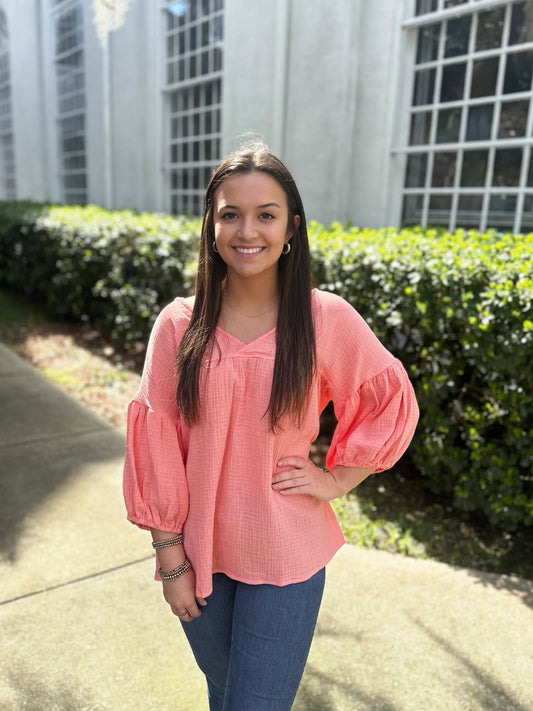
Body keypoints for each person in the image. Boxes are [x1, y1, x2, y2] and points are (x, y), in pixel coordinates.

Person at [123, 140, 419, 711]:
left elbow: (387, 398)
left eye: (266, 214)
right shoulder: (178, 325)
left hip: (286, 553)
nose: (246, 230)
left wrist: (335, 480)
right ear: (210, 225)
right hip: (199, 552)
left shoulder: (323, 318)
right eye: (230, 214)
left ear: (291, 228)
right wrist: (170, 557)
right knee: (225, 693)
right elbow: (157, 441)